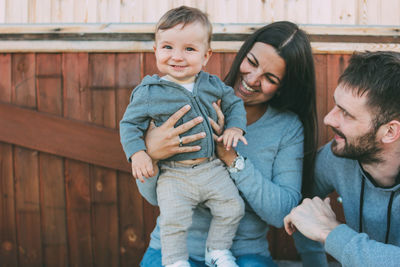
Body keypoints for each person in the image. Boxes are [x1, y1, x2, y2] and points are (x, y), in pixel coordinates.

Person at [137, 20, 326, 267]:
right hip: (172, 252)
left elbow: (281, 213)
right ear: (242, 54)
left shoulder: (286, 128)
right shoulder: (191, 97)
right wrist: (153, 155)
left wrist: (232, 159)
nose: (253, 78)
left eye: (270, 77)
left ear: (283, 87)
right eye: (252, 62)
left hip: (244, 256)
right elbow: (152, 197)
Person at [119, 6, 248, 267]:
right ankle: (175, 261)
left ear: (206, 55)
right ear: (155, 50)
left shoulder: (212, 85)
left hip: (211, 168)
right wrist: (138, 153)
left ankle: (217, 250)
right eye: (167, 47)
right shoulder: (149, 92)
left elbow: (234, 104)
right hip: (174, 174)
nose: (177, 57)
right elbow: (129, 125)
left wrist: (235, 128)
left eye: (189, 49)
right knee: (173, 221)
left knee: (233, 207)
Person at [284, 51, 400, 267]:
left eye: (347, 114)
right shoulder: (337, 157)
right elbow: (302, 208)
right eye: (336, 105)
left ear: (390, 132)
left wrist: (331, 233)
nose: (328, 118)